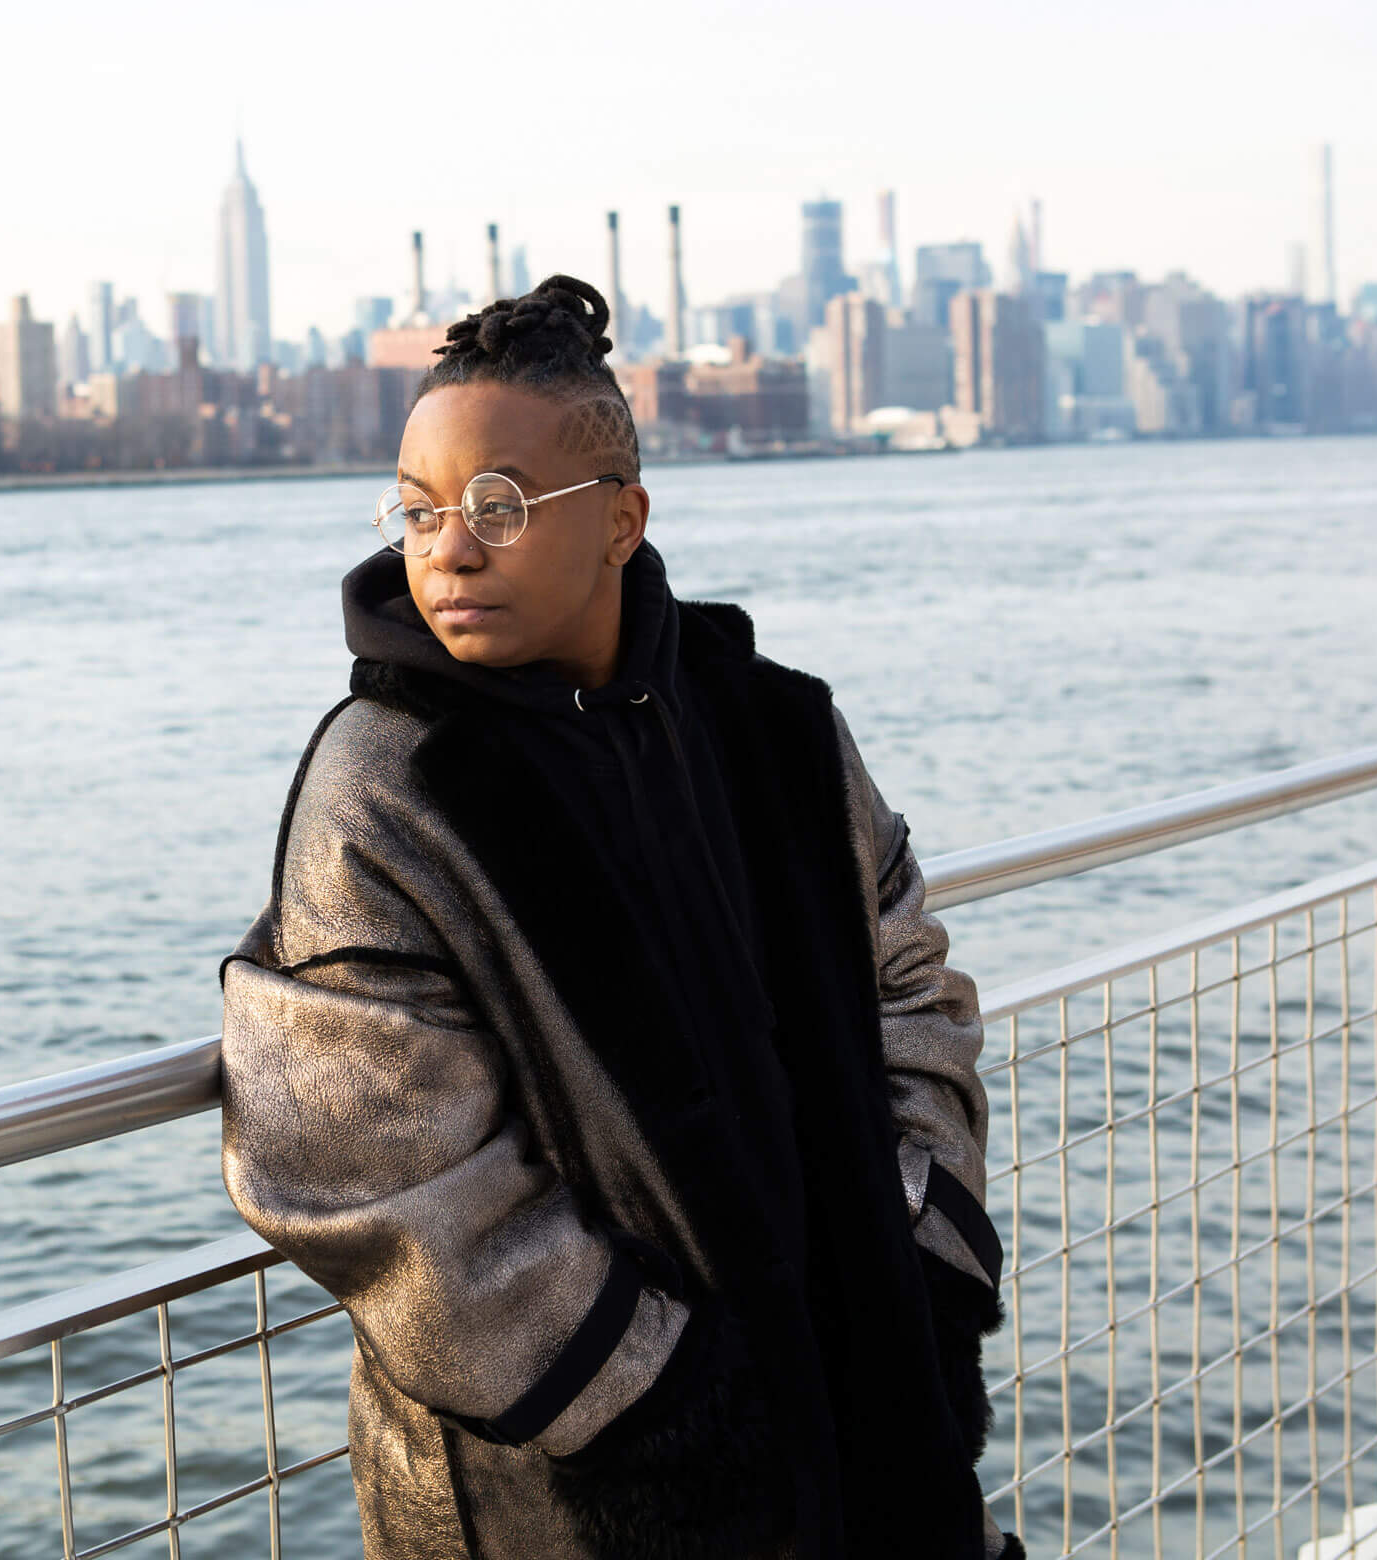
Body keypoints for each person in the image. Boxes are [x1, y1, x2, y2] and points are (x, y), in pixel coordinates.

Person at [217, 275, 1014, 1560]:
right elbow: (362, 1162)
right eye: (418, 511)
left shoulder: (774, 725)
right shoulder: (391, 785)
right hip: (571, 1498)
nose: (448, 549)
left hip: (874, 1422)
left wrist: (925, 1255)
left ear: (621, 520)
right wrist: (655, 1397)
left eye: (498, 505)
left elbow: (912, 982)